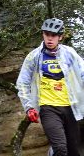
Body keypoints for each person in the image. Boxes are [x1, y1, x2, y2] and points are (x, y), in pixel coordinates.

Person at [16, 18, 84, 156]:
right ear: (43, 34)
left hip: (71, 108)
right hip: (48, 108)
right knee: (60, 148)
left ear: (60, 37)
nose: (50, 38)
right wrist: (29, 107)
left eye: (53, 35)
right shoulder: (33, 56)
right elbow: (22, 82)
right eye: (47, 34)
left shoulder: (69, 53)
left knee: (74, 152)